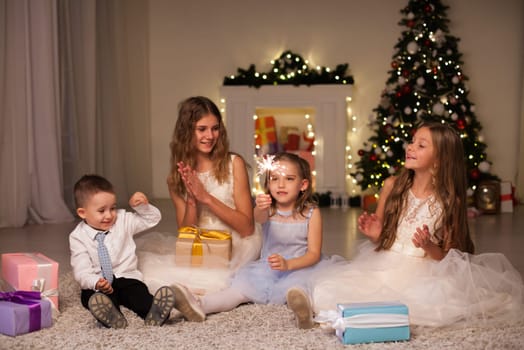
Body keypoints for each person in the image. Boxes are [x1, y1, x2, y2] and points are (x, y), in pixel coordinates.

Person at [311, 121, 524, 328]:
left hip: (424, 272)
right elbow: (382, 238)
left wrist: (429, 246)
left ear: (439, 160)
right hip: (384, 264)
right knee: (326, 291)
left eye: (421, 145)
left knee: (428, 304)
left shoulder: (449, 201)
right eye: (412, 141)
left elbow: (449, 257)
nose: (410, 147)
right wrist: (375, 233)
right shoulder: (392, 185)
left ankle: (370, 317)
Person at [170, 152, 342, 329]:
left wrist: (289, 265)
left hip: (301, 267)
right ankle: (200, 305)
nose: (281, 184)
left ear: (303, 184)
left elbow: (313, 254)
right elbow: (257, 219)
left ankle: (303, 314)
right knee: (239, 290)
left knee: (300, 288)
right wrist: (260, 207)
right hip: (268, 269)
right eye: (274, 179)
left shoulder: (311, 213)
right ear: (268, 183)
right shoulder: (268, 210)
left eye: (289, 179)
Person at [136, 96, 262, 295]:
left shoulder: (233, 163)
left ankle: (197, 300)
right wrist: (193, 201)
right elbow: (185, 232)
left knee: (217, 281)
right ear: (186, 132)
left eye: (215, 128)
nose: (210, 136)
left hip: (234, 243)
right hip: (200, 246)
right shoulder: (176, 177)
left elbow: (247, 228)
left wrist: (207, 198)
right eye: (202, 129)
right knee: (152, 272)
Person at [69, 174, 176, 328]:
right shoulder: (77, 237)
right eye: (101, 210)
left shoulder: (123, 220)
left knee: (138, 294)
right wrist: (95, 282)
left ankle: (155, 312)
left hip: (126, 276)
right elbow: (81, 270)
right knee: (92, 296)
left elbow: (151, 219)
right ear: (82, 213)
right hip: (98, 282)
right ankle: (111, 315)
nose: (109, 215)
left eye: (112, 208)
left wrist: (141, 207)